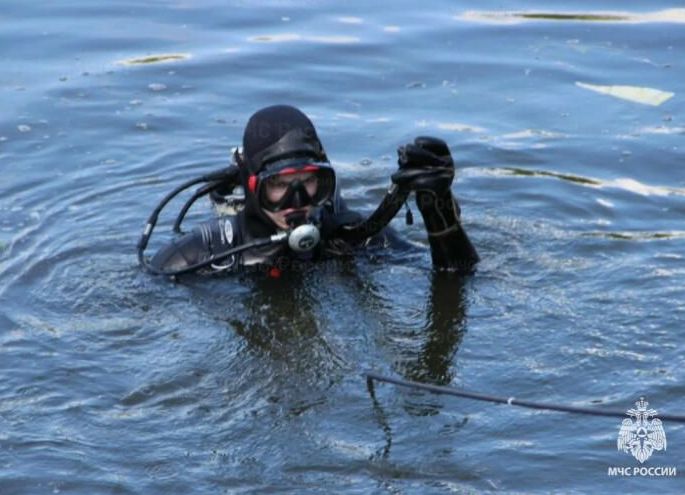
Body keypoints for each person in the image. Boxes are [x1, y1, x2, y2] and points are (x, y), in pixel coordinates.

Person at [143, 105, 479, 276]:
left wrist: (439, 212)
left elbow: (457, 277)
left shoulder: (352, 238)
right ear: (251, 184)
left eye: (308, 182)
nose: (298, 201)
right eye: (278, 184)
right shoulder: (196, 257)